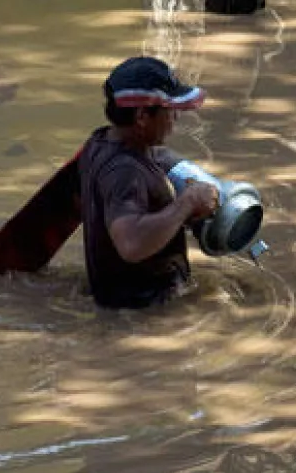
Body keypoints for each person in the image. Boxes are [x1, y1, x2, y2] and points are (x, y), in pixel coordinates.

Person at [80, 57, 219, 309]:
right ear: (142, 116)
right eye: (169, 111)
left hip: (118, 298)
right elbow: (131, 243)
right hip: (143, 309)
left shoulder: (99, 143)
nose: (175, 118)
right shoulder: (125, 170)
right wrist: (185, 204)